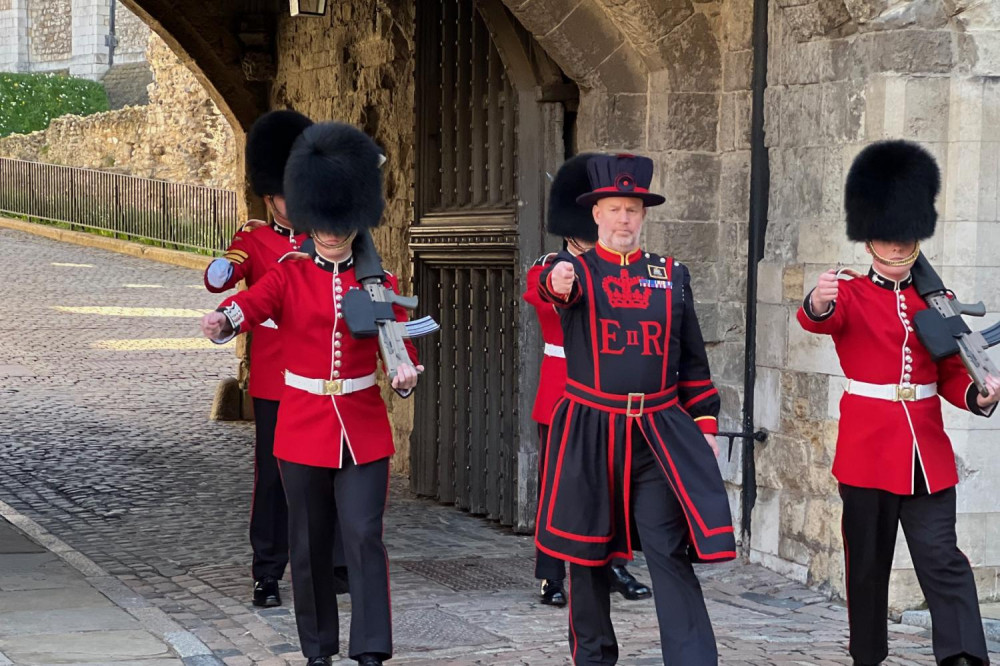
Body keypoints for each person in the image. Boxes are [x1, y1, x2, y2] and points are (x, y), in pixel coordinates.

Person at [200, 122, 420, 666]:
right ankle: (318, 649)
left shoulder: (376, 280)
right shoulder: (288, 274)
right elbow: (249, 306)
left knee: (365, 534)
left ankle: (370, 648)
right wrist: (223, 318)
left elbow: (395, 340)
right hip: (302, 425)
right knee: (308, 544)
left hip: (362, 425)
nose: (329, 230)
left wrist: (404, 371)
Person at [798, 140, 1000, 666]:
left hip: (926, 454)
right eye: (886, 239)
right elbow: (820, 318)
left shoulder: (936, 298)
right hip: (868, 451)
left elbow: (951, 370)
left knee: (943, 559)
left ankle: (962, 656)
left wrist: (979, 394)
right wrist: (817, 299)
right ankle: (868, 655)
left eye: (904, 238)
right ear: (870, 242)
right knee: (867, 567)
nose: (895, 247)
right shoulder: (849, 293)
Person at [536, 153, 735, 665]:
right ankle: (595, 657)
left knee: (668, 549)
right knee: (585, 555)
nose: (624, 218)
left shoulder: (672, 275)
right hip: (590, 428)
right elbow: (551, 287)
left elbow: (692, 362)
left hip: (655, 433)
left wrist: (706, 423)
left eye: (633, 209)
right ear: (596, 213)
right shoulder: (572, 271)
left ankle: (693, 659)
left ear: (643, 215)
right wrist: (555, 283)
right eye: (615, 208)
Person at [523, 153, 651, 608]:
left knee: (615, 483)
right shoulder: (550, 264)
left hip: (611, 391)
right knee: (556, 487)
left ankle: (614, 562)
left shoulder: (626, 267)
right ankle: (550, 574)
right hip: (563, 390)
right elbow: (546, 293)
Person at [204, 109, 311, 608]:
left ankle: (328, 565)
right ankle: (267, 571)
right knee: (272, 479)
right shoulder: (255, 236)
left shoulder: (327, 237)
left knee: (324, 474)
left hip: (320, 372)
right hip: (273, 376)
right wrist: (222, 268)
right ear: (270, 196)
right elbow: (228, 272)